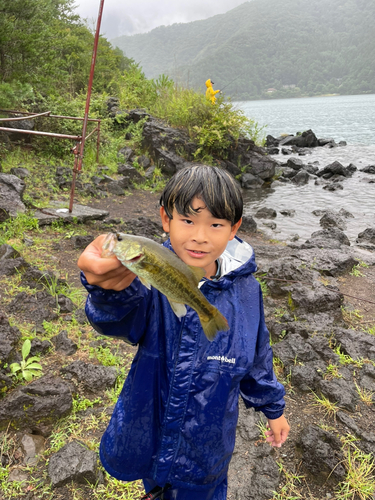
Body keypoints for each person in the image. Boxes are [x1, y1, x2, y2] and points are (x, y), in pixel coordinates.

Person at [78, 165, 289, 500]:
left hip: (208, 449)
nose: (200, 236)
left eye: (216, 224)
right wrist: (108, 291)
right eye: (188, 221)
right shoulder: (146, 276)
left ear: (234, 229)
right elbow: (115, 320)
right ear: (166, 219)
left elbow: (257, 354)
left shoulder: (249, 291)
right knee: (157, 489)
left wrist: (273, 409)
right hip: (151, 432)